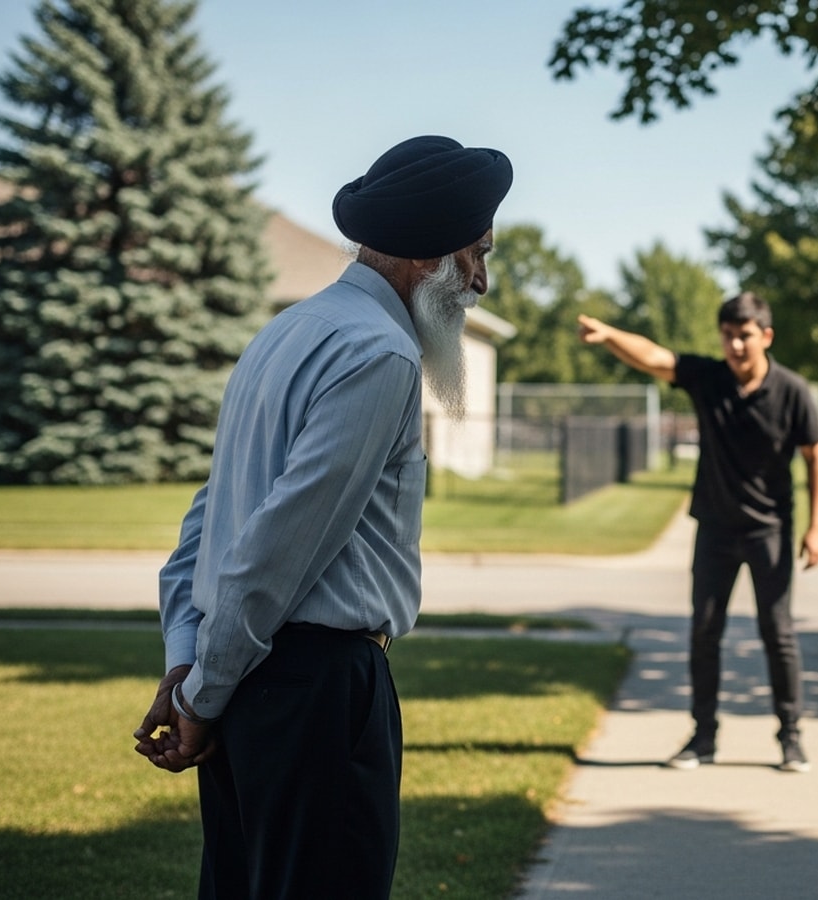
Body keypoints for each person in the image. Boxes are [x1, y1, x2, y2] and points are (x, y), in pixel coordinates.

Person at [132, 134, 512, 898]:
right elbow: (277, 546)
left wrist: (189, 664)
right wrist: (200, 694)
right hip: (316, 693)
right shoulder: (381, 354)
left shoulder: (285, 332)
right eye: (476, 253)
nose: (480, 280)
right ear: (425, 254)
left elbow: (206, 523)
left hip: (247, 685)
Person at [578, 292, 818, 773]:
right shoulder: (709, 378)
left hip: (770, 530)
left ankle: (791, 737)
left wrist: (816, 528)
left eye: (745, 336)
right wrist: (609, 335)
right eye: (728, 335)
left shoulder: (792, 391)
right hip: (715, 527)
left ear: (766, 336)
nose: (735, 345)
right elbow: (654, 357)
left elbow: (815, 456)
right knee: (705, 632)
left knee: (777, 633)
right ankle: (703, 737)